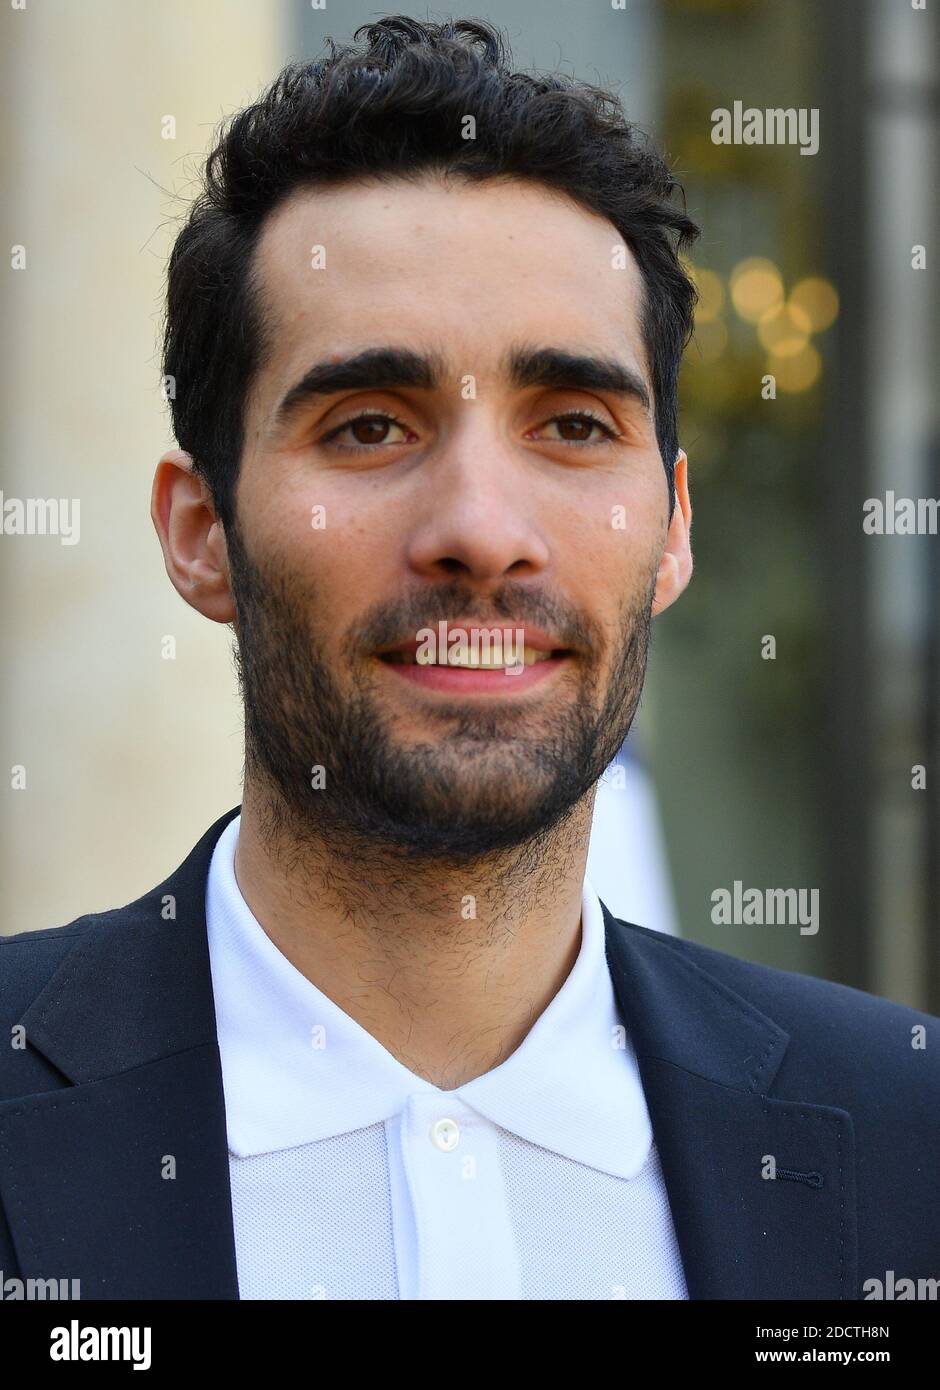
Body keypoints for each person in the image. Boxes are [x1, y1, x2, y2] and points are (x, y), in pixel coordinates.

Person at [1, 16, 936, 1301]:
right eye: (372, 425)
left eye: (570, 423)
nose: (482, 533)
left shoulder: (907, 1137)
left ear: (671, 531)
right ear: (201, 532)